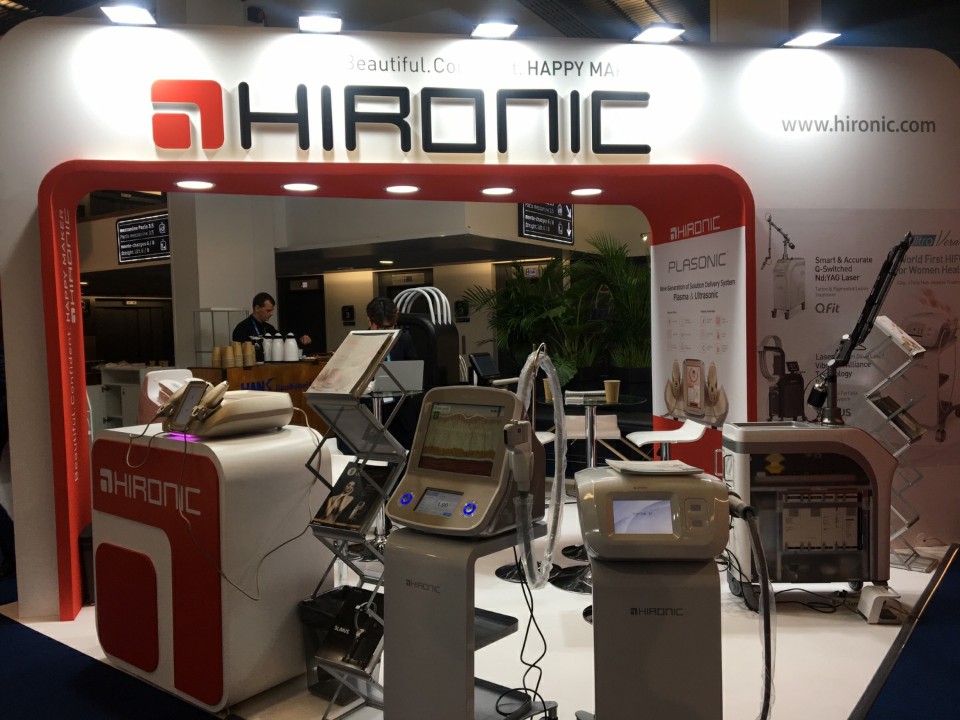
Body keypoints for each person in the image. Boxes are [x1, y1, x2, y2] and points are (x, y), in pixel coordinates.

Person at [232, 291, 311, 349]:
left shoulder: (269, 328)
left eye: (272, 310)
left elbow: (282, 338)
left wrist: (301, 338)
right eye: (268, 310)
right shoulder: (242, 328)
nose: (271, 314)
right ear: (257, 308)